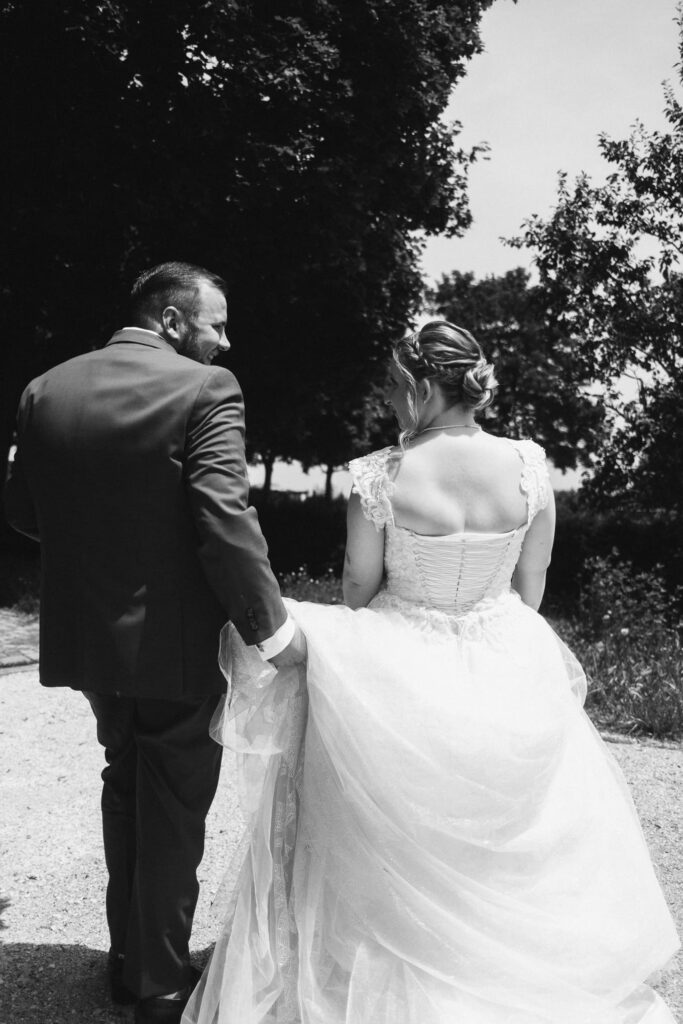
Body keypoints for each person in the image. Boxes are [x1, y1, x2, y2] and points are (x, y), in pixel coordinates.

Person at [183, 320, 679, 1024]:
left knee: (385, 828)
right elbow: (531, 584)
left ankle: (396, 959)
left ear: (419, 386)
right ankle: (503, 967)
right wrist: (482, 624)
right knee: (507, 834)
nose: (388, 399)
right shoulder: (529, 467)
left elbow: (358, 589)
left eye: (391, 386)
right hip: (506, 649)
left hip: (400, 656)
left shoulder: (379, 475)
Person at [4, 261, 305, 1024]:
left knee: (126, 781)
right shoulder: (205, 391)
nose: (226, 343)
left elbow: (26, 514)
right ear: (172, 321)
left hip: (88, 639)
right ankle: (161, 987)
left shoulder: (46, 388)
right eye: (216, 324)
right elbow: (223, 521)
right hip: (176, 643)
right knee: (172, 806)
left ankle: (125, 962)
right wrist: (273, 631)